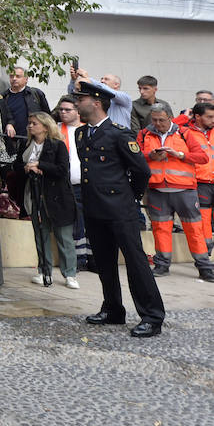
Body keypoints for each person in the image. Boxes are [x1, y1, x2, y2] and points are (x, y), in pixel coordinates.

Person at [73, 80, 164, 337]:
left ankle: (152, 316)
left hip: (120, 209)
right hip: (94, 209)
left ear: (97, 102)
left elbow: (141, 170)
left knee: (136, 264)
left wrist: (130, 198)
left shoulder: (118, 133)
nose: (77, 103)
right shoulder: (82, 133)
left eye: (81, 99)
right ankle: (113, 309)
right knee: (104, 263)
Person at [139, 103, 214, 280]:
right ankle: (162, 265)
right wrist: (151, 156)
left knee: (194, 229)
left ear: (170, 118)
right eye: (154, 120)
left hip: (184, 190)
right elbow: (135, 155)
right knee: (160, 229)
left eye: (162, 120)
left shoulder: (185, 133)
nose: (158, 123)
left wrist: (178, 154)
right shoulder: (144, 134)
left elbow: (202, 157)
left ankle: (204, 267)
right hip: (157, 189)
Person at [22, 111, 78, 288]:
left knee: (64, 236)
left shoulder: (57, 145)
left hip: (57, 196)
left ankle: (70, 274)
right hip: (35, 194)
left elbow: (62, 169)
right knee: (41, 234)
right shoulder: (27, 145)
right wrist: (26, 168)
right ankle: (44, 271)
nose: (31, 126)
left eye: (35, 123)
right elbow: (17, 165)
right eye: (30, 123)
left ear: (45, 127)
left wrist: (41, 166)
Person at [53, 95, 91, 270]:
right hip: (66, 184)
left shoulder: (88, 129)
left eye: (67, 110)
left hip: (87, 183)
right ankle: (79, 260)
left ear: (78, 111)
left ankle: (93, 259)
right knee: (75, 223)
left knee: (90, 221)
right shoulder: (55, 130)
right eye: (61, 109)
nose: (63, 113)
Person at [179, 102, 214, 245]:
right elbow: (162, 128)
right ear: (197, 116)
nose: (213, 120)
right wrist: (182, 118)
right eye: (210, 117)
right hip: (201, 182)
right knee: (204, 220)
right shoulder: (184, 132)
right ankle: (206, 254)